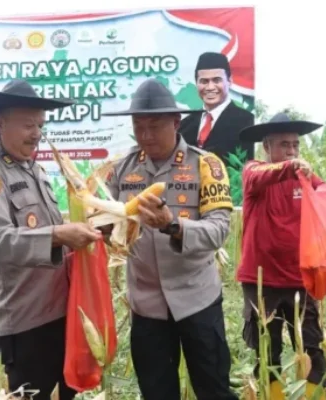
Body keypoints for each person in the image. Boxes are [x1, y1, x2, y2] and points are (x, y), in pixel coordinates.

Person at [0, 79, 103, 400]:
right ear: (0, 124)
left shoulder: (35, 171)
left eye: (40, 124)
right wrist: (58, 234)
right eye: (27, 125)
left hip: (62, 313)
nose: (36, 133)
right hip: (25, 325)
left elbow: (50, 231)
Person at [101, 78, 238, 399]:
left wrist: (172, 226)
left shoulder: (205, 164)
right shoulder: (121, 170)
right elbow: (111, 226)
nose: (145, 135)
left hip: (197, 300)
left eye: (155, 126)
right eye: (138, 126)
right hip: (147, 305)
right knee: (156, 392)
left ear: (176, 123)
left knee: (214, 389)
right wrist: (106, 230)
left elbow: (218, 230)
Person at [235, 112, 326, 399]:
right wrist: (289, 167)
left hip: (301, 278)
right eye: (284, 145)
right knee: (268, 351)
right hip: (262, 281)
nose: (291, 151)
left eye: (295, 145)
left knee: (312, 347)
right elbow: (255, 176)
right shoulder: (255, 171)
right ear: (267, 146)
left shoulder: (305, 178)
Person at [179, 51, 255, 170]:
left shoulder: (248, 123)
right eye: (204, 81)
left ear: (230, 81)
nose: (210, 87)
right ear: (196, 83)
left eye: (217, 80)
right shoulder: (184, 126)